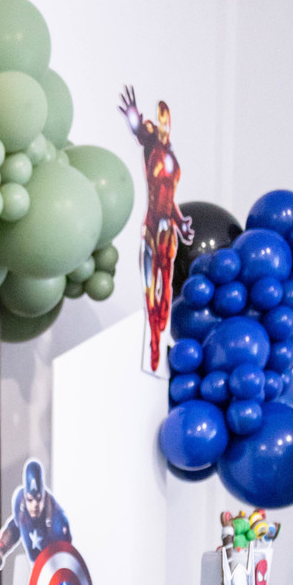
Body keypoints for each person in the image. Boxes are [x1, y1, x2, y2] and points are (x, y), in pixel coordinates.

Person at [118, 85, 194, 373]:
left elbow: (169, 198)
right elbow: (139, 130)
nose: (158, 124)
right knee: (151, 289)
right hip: (151, 226)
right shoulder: (152, 148)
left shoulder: (171, 158)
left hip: (167, 229)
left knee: (166, 291)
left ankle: (159, 340)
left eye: (162, 120)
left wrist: (180, 221)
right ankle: (152, 346)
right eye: (155, 121)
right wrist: (133, 115)